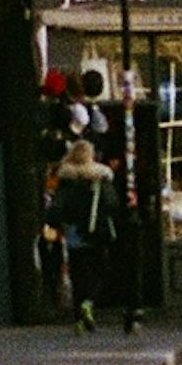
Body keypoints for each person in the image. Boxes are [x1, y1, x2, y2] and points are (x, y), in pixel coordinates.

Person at [51, 137, 118, 334]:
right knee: (99, 270)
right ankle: (89, 303)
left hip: (73, 232)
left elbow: (56, 207)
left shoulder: (65, 179)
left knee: (78, 273)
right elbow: (112, 204)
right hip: (96, 231)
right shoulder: (101, 177)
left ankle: (79, 318)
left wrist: (56, 224)